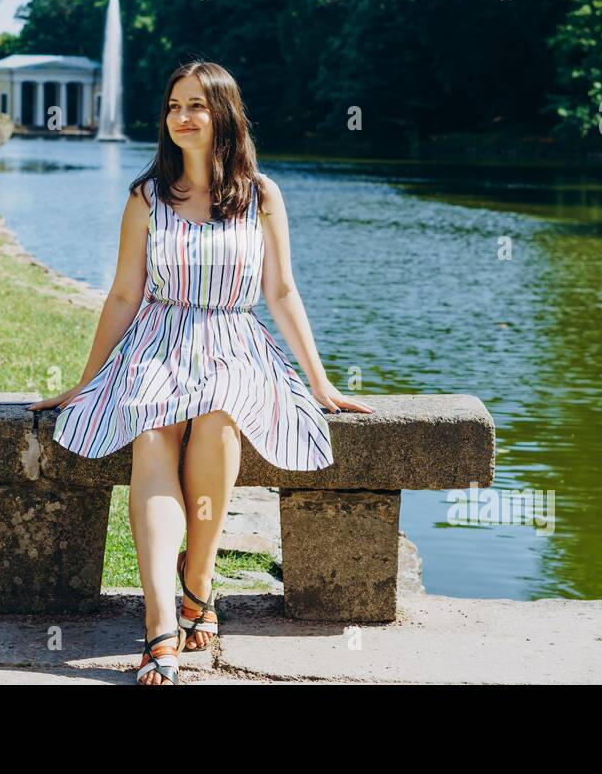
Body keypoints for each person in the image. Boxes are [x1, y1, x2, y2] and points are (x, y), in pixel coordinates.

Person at [29, 60, 374, 684]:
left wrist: (320, 383)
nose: (182, 118)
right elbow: (123, 296)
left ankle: (198, 581)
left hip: (234, 341)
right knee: (153, 432)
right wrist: (86, 380)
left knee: (218, 419)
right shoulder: (147, 196)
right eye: (173, 106)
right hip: (156, 341)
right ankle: (161, 618)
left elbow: (283, 293)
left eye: (197, 105)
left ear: (225, 114)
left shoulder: (262, 195)